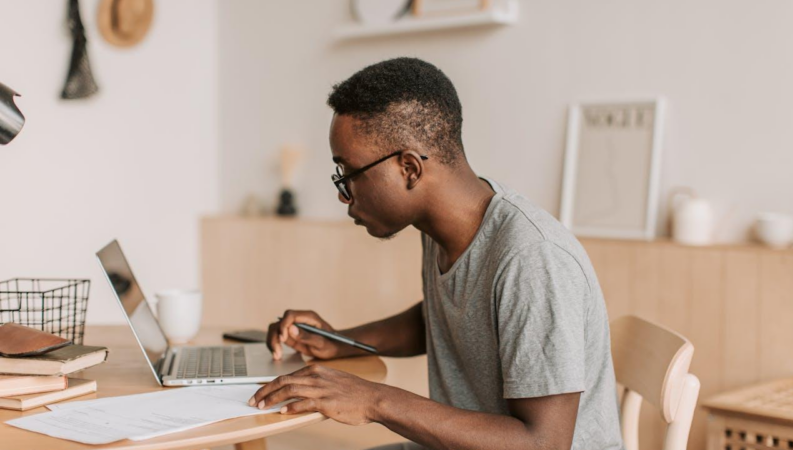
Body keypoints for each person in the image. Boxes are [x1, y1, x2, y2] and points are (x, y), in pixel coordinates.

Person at [249, 57, 623, 450]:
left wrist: (376, 399)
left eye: (348, 173)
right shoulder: (445, 228)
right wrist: (339, 341)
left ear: (409, 168)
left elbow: (543, 443)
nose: (343, 194)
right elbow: (443, 321)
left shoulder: (532, 258)